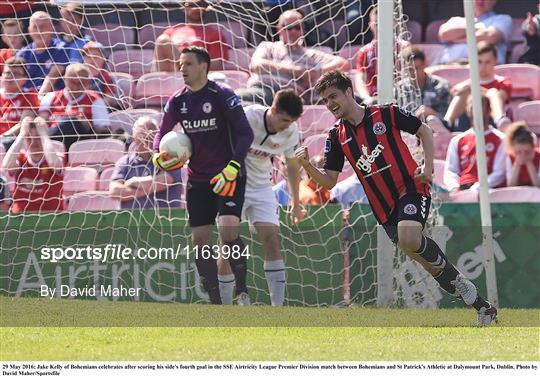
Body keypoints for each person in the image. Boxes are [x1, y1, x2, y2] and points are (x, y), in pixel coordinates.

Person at [295, 70, 497, 326]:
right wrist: (307, 166)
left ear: (348, 91)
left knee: (409, 237)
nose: (329, 103)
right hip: (383, 209)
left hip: (411, 188)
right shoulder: (336, 137)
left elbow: (423, 130)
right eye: (324, 100)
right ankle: (482, 306)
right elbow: (330, 180)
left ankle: (464, 288)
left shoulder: (386, 113)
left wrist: (427, 168)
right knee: (428, 263)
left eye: (333, 95)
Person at [152, 46, 254, 304]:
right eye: (180, 64)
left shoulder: (222, 95)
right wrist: (157, 155)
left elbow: (245, 134)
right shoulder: (177, 101)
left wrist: (233, 167)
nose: (181, 69)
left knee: (229, 230)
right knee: (199, 241)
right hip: (197, 180)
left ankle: (242, 291)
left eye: (187, 64)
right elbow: (161, 134)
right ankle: (216, 301)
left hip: (227, 176)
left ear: (203, 67)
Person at [217, 89, 304, 306]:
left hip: (262, 187)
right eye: (284, 119)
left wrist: (295, 203)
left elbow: (292, 167)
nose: (287, 125)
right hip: (233, 185)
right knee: (227, 244)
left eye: (291, 121)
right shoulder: (247, 118)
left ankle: (277, 309)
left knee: (272, 238)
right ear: (272, 110)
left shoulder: (290, 131)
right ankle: (224, 307)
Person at [240, 9, 350, 105]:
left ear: (302, 30)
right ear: (279, 29)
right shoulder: (268, 46)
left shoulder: (310, 55)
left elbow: (344, 64)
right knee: (233, 100)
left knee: (235, 100)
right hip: (260, 89)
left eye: (297, 27)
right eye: (288, 27)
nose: (293, 31)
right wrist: (294, 70)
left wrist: (317, 71)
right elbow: (256, 65)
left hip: (287, 98)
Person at [109, 116, 182, 209]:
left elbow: (163, 181)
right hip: (129, 220)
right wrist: (145, 189)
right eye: (143, 135)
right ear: (134, 138)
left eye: (152, 133)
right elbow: (115, 191)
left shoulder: (170, 157)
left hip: (166, 220)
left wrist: (133, 181)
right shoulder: (125, 162)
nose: (148, 138)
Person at [439, 42, 512, 132]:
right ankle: (447, 123)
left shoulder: (503, 82)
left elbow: (501, 96)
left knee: (493, 92)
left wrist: (472, 88)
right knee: (464, 93)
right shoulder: (465, 85)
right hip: (467, 121)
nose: (483, 66)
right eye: (479, 62)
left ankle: (500, 120)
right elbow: (454, 92)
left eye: (487, 62)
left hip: (491, 121)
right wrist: (468, 88)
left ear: (495, 61)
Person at [38, 63, 110, 150]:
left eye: (80, 82)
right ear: (65, 79)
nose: (75, 86)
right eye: (72, 81)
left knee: (73, 122)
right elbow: (41, 121)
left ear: (87, 82)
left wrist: (88, 125)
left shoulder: (95, 100)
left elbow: (104, 130)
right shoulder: (51, 97)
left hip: (79, 144)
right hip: (53, 144)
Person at [444, 93, 506, 193]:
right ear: (467, 110)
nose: (476, 110)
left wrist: (477, 189)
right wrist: (454, 187)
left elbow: (499, 173)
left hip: (490, 191)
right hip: (462, 190)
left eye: (480, 106)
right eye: (472, 106)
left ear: (489, 110)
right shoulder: (457, 140)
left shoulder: (501, 139)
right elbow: (451, 170)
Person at [1, 117, 64, 213]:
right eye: (29, 137)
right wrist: (22, 134)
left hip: (50, 219)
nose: (34, 142)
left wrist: (43, 133)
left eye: (38, 137)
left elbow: (54, 164)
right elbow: (6, 165)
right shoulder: (21, 158)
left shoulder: (57, 157)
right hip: (21, 218)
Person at [152, 0, 229, 72]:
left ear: (205, 7)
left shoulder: (214, 34)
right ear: (184, 8)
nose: (195, 8)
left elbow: (216, 65)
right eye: (191, 5)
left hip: (199, 77)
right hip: (173, 76)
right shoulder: (170, 32)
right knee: (162, 40)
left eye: (199, 4)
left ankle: (187, 68)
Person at [355, 5, 409, 105]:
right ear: (370, 25)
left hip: (399, 98)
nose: (380, 28)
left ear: (393, 23)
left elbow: (408, 75)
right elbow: (360, 79)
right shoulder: (364, 51)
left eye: (384, 24)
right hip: (371, 99)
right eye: (376, 24)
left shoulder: (404, 47)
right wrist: (366, 98)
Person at [436, 0, 511, 65]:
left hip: (483, 71)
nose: (480, 0)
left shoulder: (502, 19)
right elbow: (444, 34)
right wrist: (479, 32)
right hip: (448, 67)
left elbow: (491, 37)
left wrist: (458, 39)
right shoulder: (455, 20)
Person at [16, 11, 71, 93]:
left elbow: (52, 77)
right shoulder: (22, 54)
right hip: (25, 98)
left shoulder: (61, 48)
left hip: (49, 98)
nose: (39, 31)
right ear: (29, 30)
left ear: (51, 28)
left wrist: (38, 98)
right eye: (35, 27)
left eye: (42, 27)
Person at [399, 48, 451, 122]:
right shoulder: (400, 88)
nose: (414, 73)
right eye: (410, 69)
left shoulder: (440, 86)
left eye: (416, 68)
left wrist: (433, 114)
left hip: (435, 129)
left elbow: (448, 120)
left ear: (424, 65)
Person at [1, 57, 39, 139]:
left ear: (24, 79)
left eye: (15, 74)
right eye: (7, 73)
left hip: (14, 139)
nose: (10, 77)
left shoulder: (29, 95)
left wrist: (2, 137)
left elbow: (23, 124)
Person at [81, 41, 119, 107]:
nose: (92, 60)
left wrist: (96, 106)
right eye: (88, 57)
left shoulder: (105, 76)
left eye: (95, 57)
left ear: (103, 59)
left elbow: (109, 97)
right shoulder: (80, 76)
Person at [504, 121, 540, 187]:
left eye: (526, 151)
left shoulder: (538, 156)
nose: (522, 155)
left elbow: (538, 185)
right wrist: (517, 164)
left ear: (532, 148)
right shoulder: (510, 158)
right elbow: (511, 185)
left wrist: (529, 162)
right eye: (518, 152)